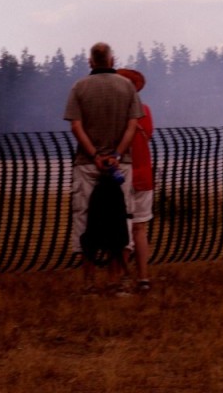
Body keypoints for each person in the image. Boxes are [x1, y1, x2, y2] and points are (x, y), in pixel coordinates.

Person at [64, 42, 143, 294]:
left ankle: (88, 281)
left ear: (90, 62)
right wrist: (117, 154)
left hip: (87, 164)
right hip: (121, 165)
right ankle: (116, 280)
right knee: (122, 218)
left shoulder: (79, 87)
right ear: (112, 60)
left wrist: (95, 154)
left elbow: (76, 126)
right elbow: (132, 125)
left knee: (85, 218)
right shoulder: (127, 87)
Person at [117, 68, 154, 294]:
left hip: (123, 174)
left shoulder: (117, 114)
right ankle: (143, 278)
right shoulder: (146, 111)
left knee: (122, 228)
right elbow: (147, 135)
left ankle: (122, 279)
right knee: (140, 228)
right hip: (144, 174)